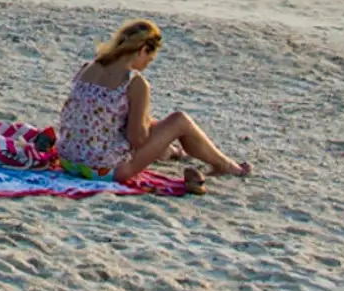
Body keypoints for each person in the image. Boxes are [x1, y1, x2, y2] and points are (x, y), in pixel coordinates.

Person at [55, 18, 250, 181]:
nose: (147, 64)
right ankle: (226, 166)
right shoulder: (134, 81)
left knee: (154, 126)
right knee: (180, 121)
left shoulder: (89, 67)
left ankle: (177, 153)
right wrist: (158, 133)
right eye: (149, 59)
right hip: (102, 170)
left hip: (68, 160)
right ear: (143, 50)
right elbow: (137, 139)